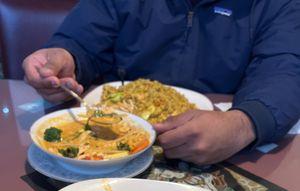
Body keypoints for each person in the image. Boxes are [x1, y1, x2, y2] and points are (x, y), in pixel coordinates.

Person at [23, 0, 300, 165]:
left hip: (218, 151)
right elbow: (82, 39)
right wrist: (64, 58)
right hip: (104, 146)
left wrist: (244, 125)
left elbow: (285, 68)